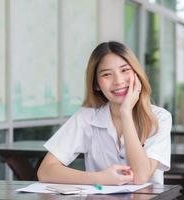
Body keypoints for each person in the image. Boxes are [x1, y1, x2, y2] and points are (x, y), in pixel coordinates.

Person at [37, 41, 172, 186]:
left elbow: (140, 177)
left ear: (137, 74)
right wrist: (99, 178)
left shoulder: (159, 118)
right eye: (107, 74)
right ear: (96, 84)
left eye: (125, 70)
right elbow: (45, 171)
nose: (118, 81)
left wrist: (126, 112)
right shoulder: (86, 117)